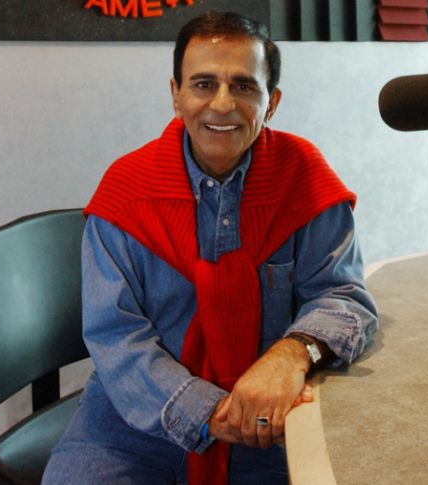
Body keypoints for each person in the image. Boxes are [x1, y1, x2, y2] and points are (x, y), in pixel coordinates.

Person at [43, 11, 378, 485]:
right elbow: (115, 336)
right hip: (134, 422)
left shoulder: (304, 178)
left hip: (270, 419)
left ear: (272, 102)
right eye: (203, 84)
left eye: (243, 86)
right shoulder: (125, 191)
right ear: (176, 94)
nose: (222, 104)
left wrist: (290, 354)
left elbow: (342, 295)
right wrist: (214, 414)